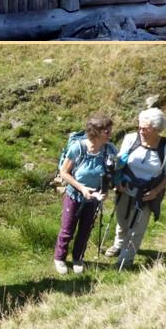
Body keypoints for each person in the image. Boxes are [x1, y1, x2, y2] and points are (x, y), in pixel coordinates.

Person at [106, 103, 166, 268]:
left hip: (146, 194)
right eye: (140, 127)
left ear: (157, 129)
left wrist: (156, 191)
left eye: (146, 129)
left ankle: (126, 259)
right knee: (122, 220)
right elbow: (119, 163)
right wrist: (117, 182)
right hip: (124, 188)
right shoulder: (130, 139)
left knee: (137, 227)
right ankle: (118, 245)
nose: (141, 131)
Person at [53, 114, 116, 274]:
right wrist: (82, 188)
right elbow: (64, 172)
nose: (110, 132)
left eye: (110, 129)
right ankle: (60, 258)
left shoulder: (110, 149)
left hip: (94, 199)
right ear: (95, 132)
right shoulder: (78, 148)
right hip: (74, 195)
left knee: (85, 229)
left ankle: (77, 258)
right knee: (68, 229)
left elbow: (110, 173)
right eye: (106, 130)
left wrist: (105, 191)